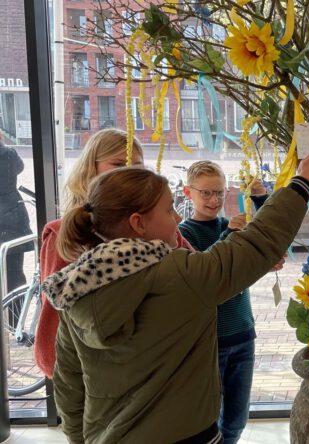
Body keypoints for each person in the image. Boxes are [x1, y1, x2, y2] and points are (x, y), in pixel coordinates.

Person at [44, 148, 309, 443]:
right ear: (138, 224)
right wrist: (302, 183)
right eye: (169, 209)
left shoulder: (75, 288)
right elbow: (254, 246)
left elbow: (68, 384)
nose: (177, 215)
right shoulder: (178, 274)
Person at [34, 128, 194, 378]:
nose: (129, 172)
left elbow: (199, 272)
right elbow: (55, 316)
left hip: (156, 365)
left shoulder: (162, 228)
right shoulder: (65, 233)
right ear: (91, 168)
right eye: (118, 164)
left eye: (137, 166)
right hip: (94, 373)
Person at [177, 161, 269, 444]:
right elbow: (208, 271)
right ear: (188, 192)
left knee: (237, 420)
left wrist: (260, 198)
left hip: (243, 334)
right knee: (210, 420)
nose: (214, 200)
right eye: (205, 193)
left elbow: (266, 234)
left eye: (219, 193)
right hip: (210, 341)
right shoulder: (184, 233)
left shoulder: (227, 225)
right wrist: (229, 234)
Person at [0, 137, 31, 293]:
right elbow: (20, 167)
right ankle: (15, 315)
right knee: (14, 275)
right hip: (12, 217)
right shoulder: (9, 153)